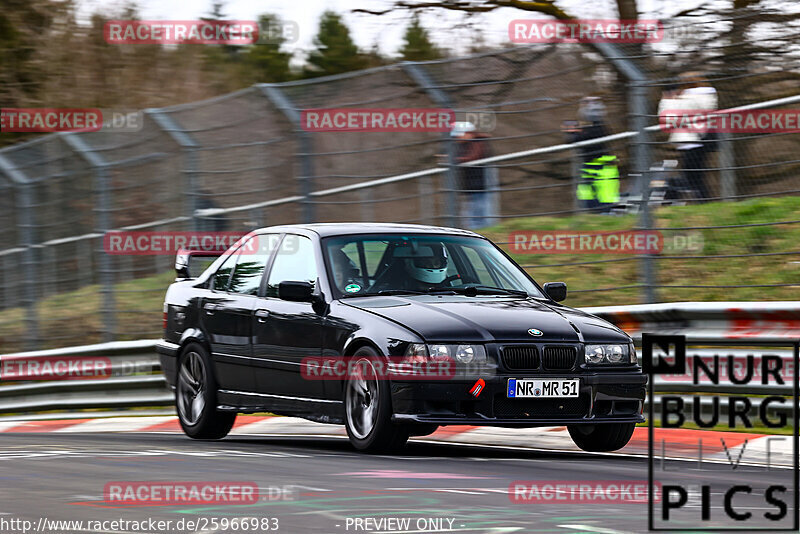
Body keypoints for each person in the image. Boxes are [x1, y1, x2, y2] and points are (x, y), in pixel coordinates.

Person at [658, 72, 718, 201]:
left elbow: (668, 117)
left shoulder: (690, 99)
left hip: (693, 140)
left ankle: (672, 200)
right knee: (694, 176)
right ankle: (703, 201)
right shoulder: (702, 97)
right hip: (696, 140)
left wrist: (668, 99)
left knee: (690, 177)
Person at [563, 97, 620, 212]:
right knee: (594, 200)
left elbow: (573, 140)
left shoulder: (595, 130)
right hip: (599, 168)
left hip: (598, 168)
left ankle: (603, 217)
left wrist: (572, 133)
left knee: (598, 202)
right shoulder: (597, 128)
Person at [450, 122, 493, 230]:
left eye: (458, 135)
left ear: (468, 133)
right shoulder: (462, 145)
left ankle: (481, 234)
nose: (457, 138)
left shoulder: (478, 143)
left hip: (479, 185)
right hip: (470, 186)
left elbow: (473, 157)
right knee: (470, 215)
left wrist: (454, 160)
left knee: (478, 214)